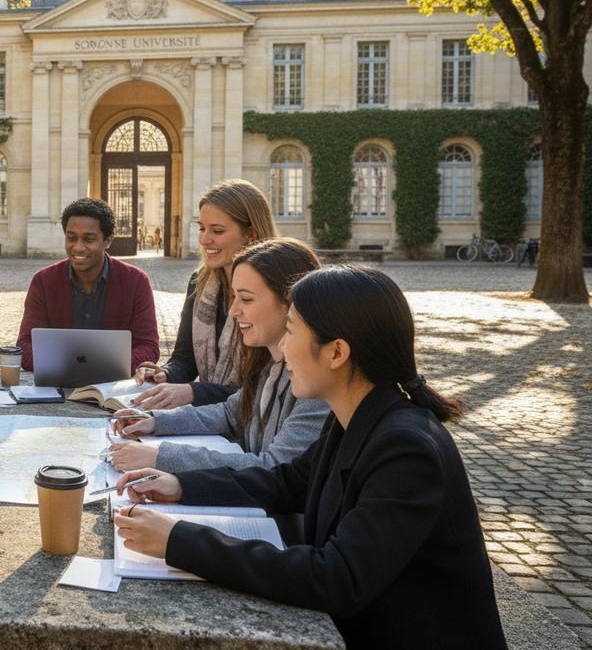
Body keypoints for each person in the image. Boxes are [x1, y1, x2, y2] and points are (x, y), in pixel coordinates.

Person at [113, 265, 506, 649]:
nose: (282, 349)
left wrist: (180, 540)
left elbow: (338, 577)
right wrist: (181, 484)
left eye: (291, 331)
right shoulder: (358, 418)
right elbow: (286, 481)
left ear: (336, 352)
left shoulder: (407, 448)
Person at [109, 238, 328, 473]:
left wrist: (161, 457)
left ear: (289, 303)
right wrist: (155, 421)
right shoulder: (270, 364)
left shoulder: (315, 383)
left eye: (246, 299)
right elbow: (231, 412)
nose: (233, 311)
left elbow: (275, 468)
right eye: (234, 298)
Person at [132, 180, 278, 411]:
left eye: (217, 231)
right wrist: (164, 375)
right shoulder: (199, 283)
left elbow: (266, 390)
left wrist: (194, 392)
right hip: (212, 417)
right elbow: (184, 359)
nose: (204, 239)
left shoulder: (275, 290)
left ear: (250, 234)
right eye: (202, 228)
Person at [16, 197, 160, 372]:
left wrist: (100, 367)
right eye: (71, 238)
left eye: (88, 239)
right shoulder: (43, 282)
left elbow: (148, 347)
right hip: (57, 385)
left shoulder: (136, 282)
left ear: (108, 241)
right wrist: (76, 366)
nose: (78, 247)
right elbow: (24, 345)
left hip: (113, 387)